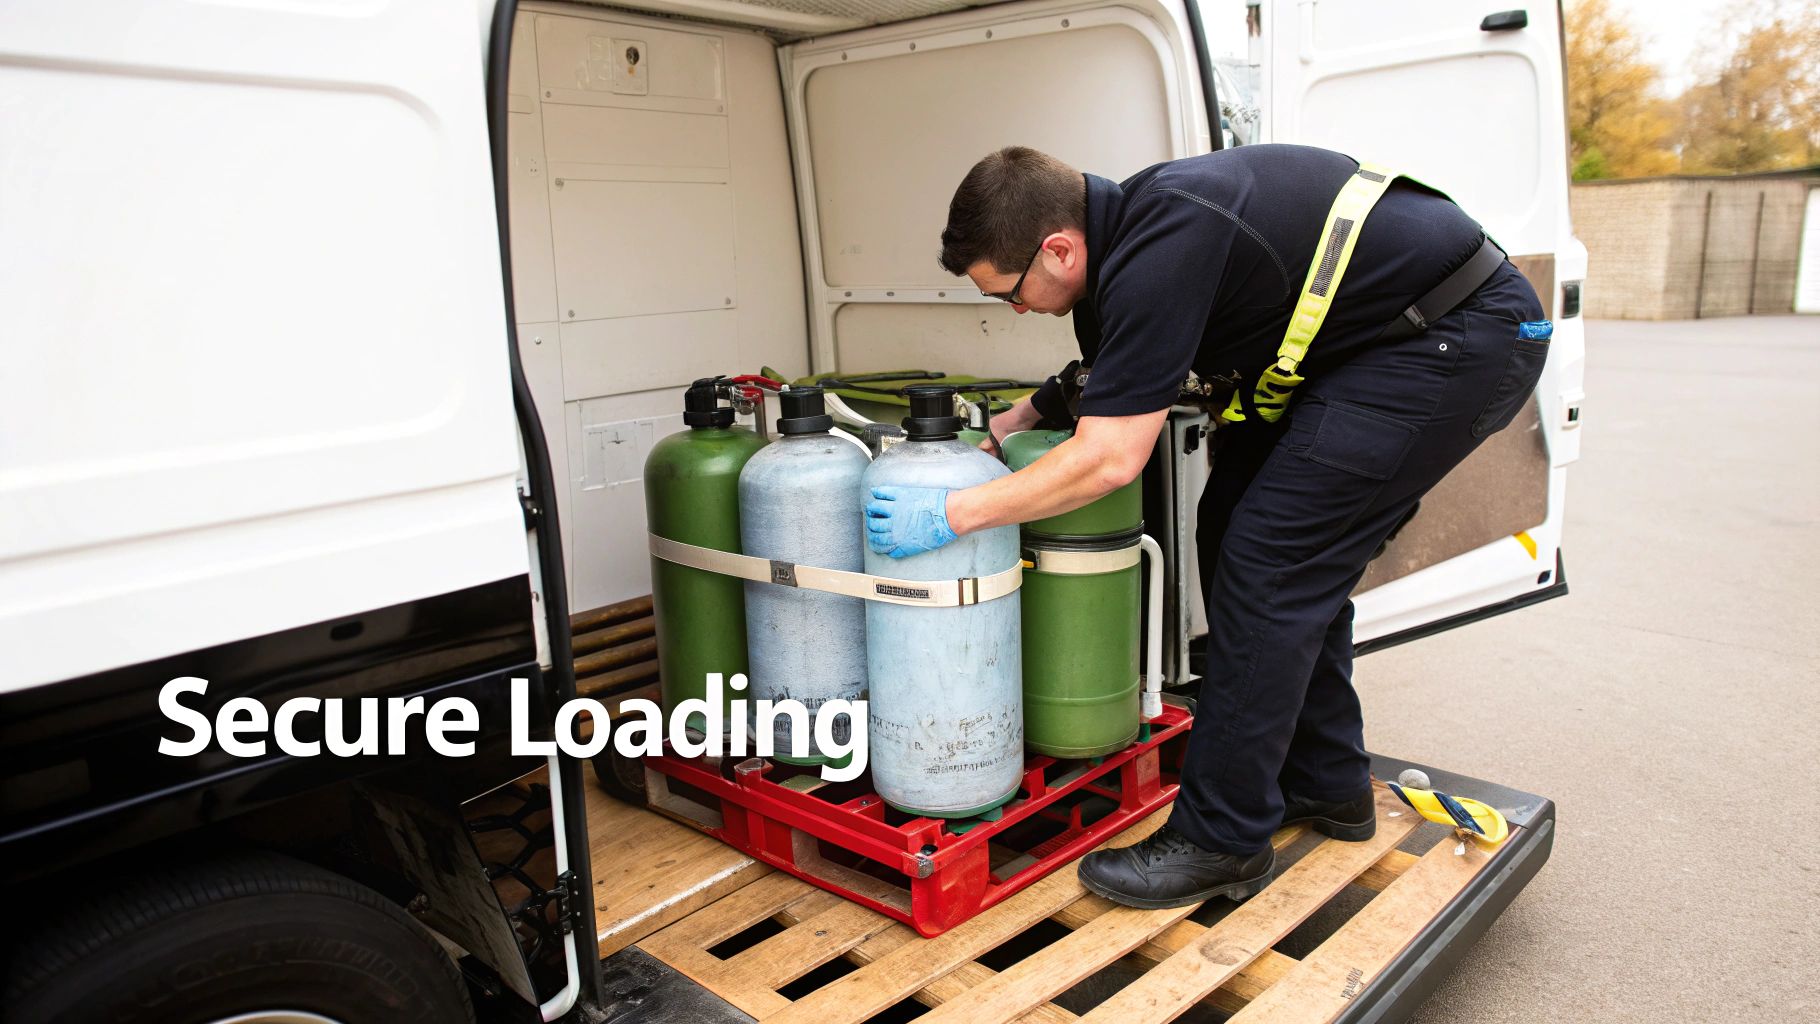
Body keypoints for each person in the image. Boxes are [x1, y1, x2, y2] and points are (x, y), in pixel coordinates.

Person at [861, 144, 1548, 909]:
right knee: (1231, 532)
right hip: (1377, 348)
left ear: (1059, 247)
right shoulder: (1130, 235)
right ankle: (1325, 783)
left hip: (1452, 338)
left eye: (1010, 292)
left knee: (1271, 565)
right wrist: (1008, 427)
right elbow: (1119, 370)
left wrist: (954, 512)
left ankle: (1221, 840)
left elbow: (1110, 459)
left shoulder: (1168, 233)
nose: (1015, 310)